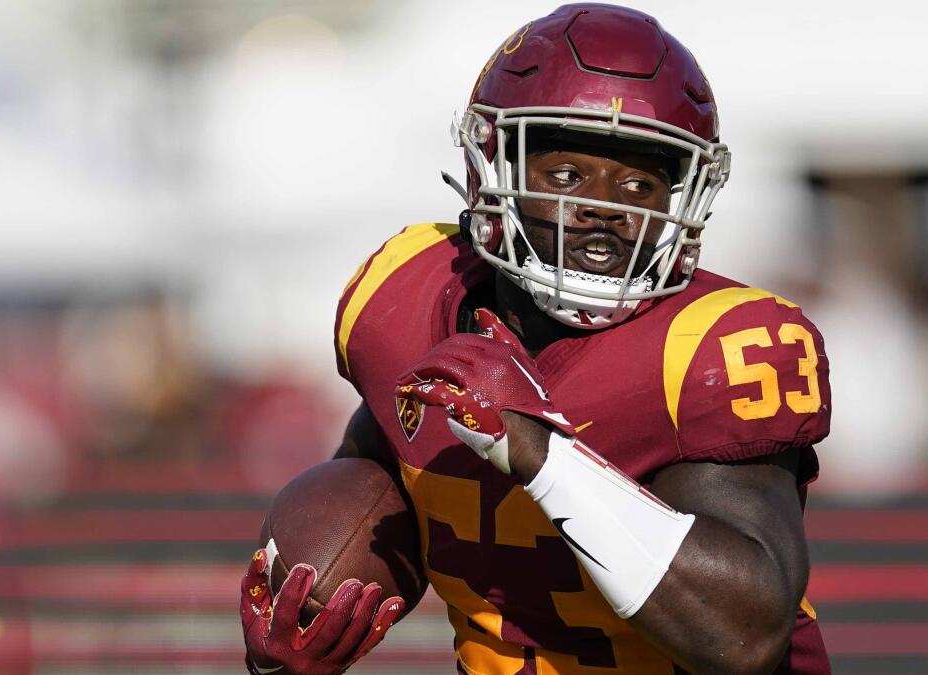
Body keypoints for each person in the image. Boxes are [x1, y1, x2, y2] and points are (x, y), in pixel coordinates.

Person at [239, 4, 833, 673]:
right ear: (492, 171)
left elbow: (745, 634)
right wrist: (300, 635)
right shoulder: (405, 297)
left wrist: (547, 456)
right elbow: (382, 480)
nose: (605, 206)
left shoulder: (714, 347)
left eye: (640, 182)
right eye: (567, 174)